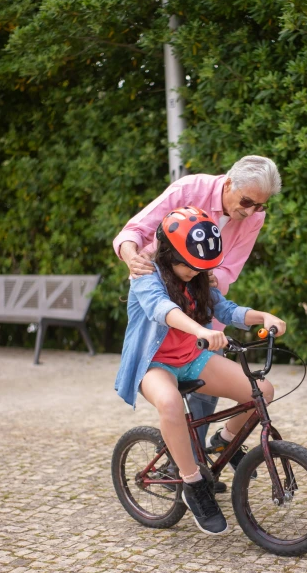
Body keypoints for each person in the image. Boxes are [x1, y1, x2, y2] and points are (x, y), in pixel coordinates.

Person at [115, 206, 286, 536]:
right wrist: (201, 331)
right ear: (169, 253)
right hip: (153, 364)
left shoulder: (198, 278)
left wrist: (263, 316)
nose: (196, 272)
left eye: (202, 267)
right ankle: (193, 484)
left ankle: (224, 442)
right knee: (169, 404)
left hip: (192, 358)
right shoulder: (145, 276)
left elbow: (226, 309)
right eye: (190, 265)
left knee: (262, 391)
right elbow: (162, 310)